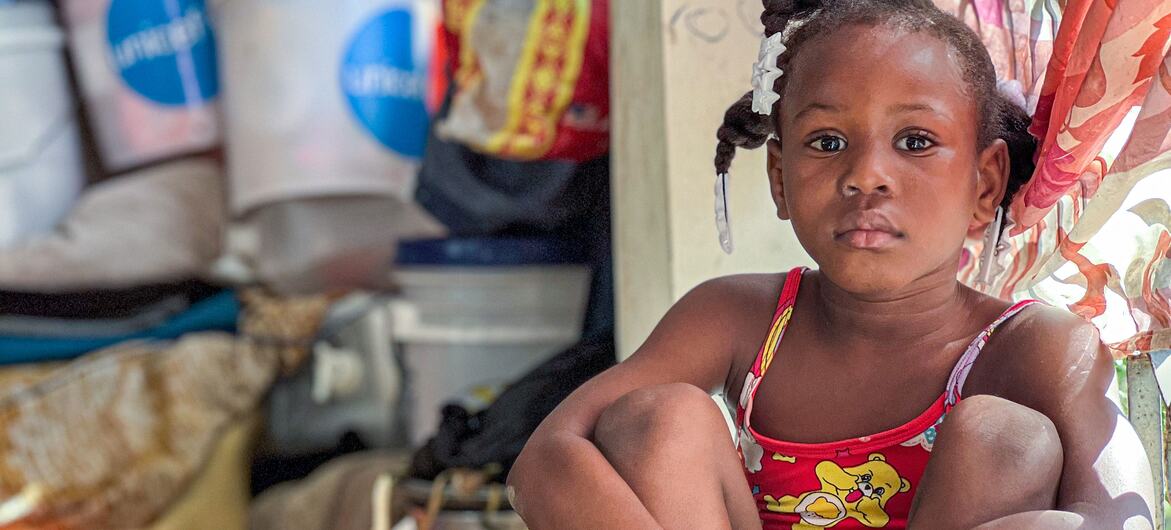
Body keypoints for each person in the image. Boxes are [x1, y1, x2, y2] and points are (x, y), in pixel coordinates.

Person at [506, 1, 1158, 529]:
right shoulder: (737, 318)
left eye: (915, 141)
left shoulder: (1034, 346)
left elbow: (1122, 510)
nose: (866, 175)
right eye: (826, 142)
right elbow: (545, 460)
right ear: (780, 178)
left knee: (1010, 439)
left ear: (984, 184)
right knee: (657, 418)